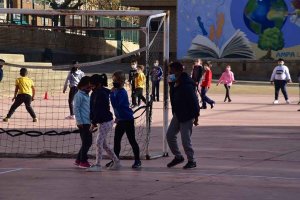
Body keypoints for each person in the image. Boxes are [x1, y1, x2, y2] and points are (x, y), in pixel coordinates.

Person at [166, 61, 200, 169]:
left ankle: (192, 160)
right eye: (169, 72)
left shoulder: (186, 85)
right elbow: (170, 83)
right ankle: (178, 157)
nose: (170, 74)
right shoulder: (174, 81)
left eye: (172, 71)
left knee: (185, 140)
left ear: (179, 71)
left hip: (187, 115)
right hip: (178, 114)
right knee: (170, 135)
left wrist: (196, 117)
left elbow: (195, 102)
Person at [87, 74, 120, 172]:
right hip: (102, 121)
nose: (91, 88)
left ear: (99, 84)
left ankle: (98, 164)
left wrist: (93, 123)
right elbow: (92, 109)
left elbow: (99, 110)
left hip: (106, 121)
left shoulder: (101, 94)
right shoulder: (95, 93)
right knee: (103, 144)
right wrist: (92, 121)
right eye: (91, 86)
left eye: (93, 86)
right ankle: (116, 161)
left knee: (98, 142)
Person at [109, 70, 142, 169]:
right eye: (113, 80)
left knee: (132, 140)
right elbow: (115, 108)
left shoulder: (122, 92)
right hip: (121, 120)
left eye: (116, 80)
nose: (114, 82)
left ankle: (137, 160)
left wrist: (111, 94)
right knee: (116, 140)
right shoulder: (116, 91)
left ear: (121, 81)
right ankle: (115, 160)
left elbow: (116, 105)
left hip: (127, 120)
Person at [73, 76, 93, 168]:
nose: (89, 89)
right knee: (87, 142)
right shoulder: (79, 95)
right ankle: (83, 161)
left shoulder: (86, 94)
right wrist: (79, 121)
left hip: (88, 121)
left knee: (86, 142)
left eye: (90, 87)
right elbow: (76, 109)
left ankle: (78, 159)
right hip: (83, 123)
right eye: (88, 87)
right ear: (83, 85)